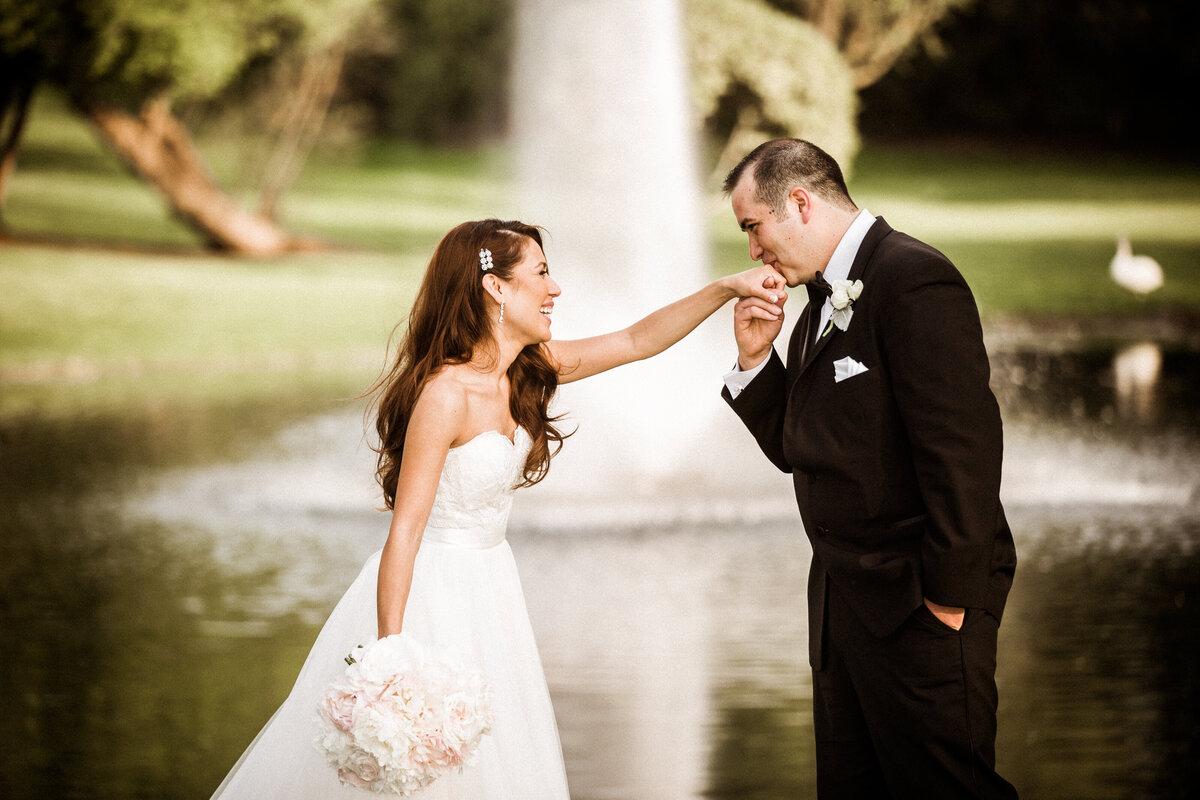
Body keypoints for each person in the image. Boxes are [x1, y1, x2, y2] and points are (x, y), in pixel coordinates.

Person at [209, 218, 784, 799]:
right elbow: (403, 535)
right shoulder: (444, 394)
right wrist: (390, 662)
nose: (554, 288)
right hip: (432, 598)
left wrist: (727, 289)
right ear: (496, 289)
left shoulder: (528, 373)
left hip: (493, 592)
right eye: (540, 273)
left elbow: (637, 341)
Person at [719, 139, 1018, 799]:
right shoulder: (815, 307)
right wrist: (754, 365)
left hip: (920, 609)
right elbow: (807, 449)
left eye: (753, 226)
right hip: (844, 620)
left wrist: (946, 603)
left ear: (798, 201)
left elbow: (963, 456)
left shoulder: (913, 279)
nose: (753, 250)